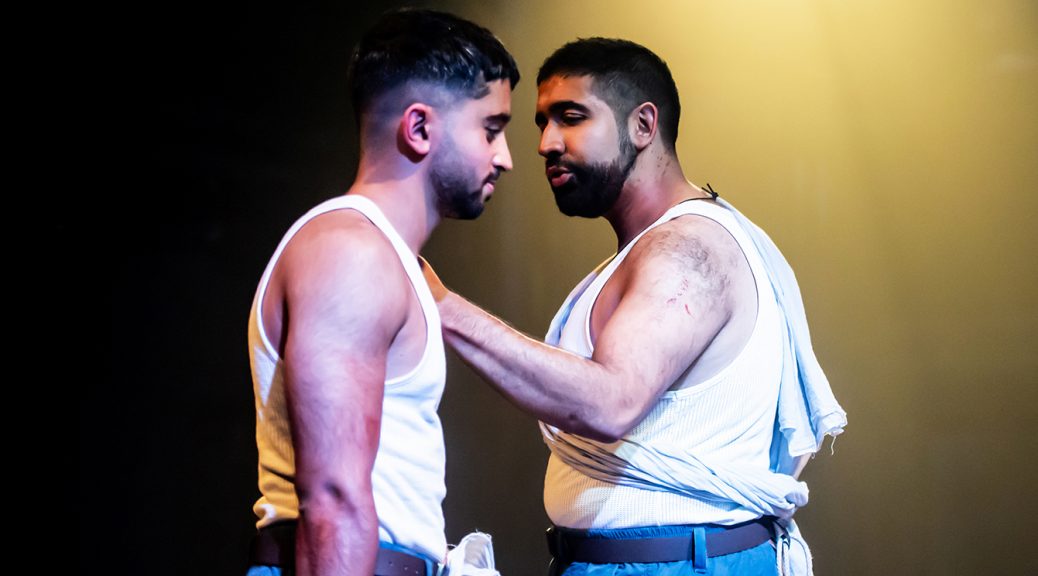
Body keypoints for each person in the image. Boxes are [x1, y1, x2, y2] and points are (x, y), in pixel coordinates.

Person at [422, 38, 846, 575]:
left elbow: (611, 402)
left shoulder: (687, 247)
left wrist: (442, 307)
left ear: (643, 126)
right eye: (541, 123)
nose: (546, 143)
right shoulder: (652, 249)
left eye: (571, 117)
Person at [245, 9, 518, 576]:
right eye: (490, 129)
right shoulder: (352, 253)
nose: (505, 157)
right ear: (419, 128)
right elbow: (335, 502)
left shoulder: (385, 257)